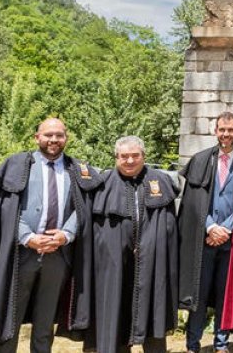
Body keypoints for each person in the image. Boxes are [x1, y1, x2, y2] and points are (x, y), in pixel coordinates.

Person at [0, 118, 99, 352]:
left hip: (58, 256)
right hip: (22, 253)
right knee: (10, 317)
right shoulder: (17, 164)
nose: (54, 140)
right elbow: (8, 206)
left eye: (59, 135)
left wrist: (67, 233)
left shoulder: (77, 169)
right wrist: (27, 236)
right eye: (48, 135)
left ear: (66, 138)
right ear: (37, 137)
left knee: (45, 322)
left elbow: (83, 205)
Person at [84, 135, 180, 353]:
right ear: (116, 157)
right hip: (114, 262)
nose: (129, 161)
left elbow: (170, 227)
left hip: (152, 263)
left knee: (152, 311)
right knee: (116, 311)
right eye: (124, 156)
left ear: (144, 156)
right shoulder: (103, 183)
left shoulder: (160, 181)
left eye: (135, 156)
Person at [179, 111, 233, 352]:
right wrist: (210, 226)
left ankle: (221, 342)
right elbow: (191, 203)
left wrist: (225, 229)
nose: (226, 134)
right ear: (215, 131)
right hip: (203, 239)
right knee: (199, 293)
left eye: (230, 130)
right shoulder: (200, 160)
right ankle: (193, 343)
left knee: (225, 294)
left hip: (232, 241)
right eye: (221, 129)